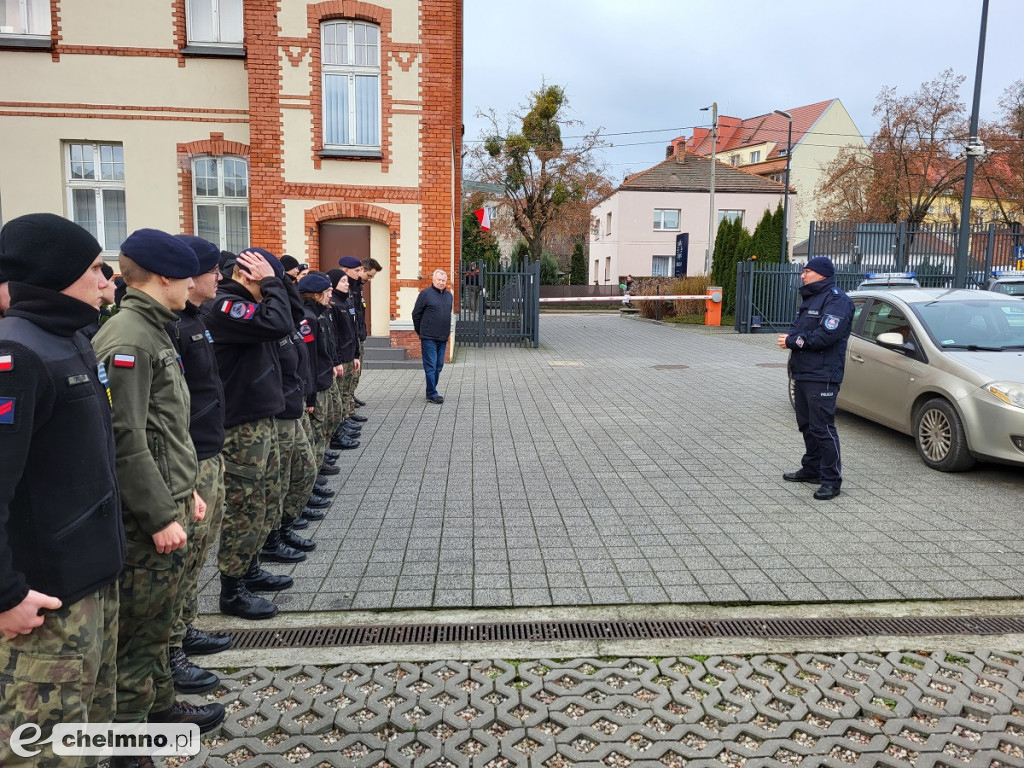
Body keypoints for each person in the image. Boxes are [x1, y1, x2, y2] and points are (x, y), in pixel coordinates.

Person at [92, 229, 225, 748]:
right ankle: (134, 747)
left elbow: (161, 429)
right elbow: (123, 436)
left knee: (156, 627)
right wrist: (157, 513)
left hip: (168, 498)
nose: (195, 282)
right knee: (139, 640)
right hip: (146, 519)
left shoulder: (153, 329)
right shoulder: (129, 338)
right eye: (188, 274)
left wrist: (184, 487)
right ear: (166, 277)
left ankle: (162, 709)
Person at [0, 213, 124, 768]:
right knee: (42, 750)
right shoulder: (17, 355)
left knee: (88, 734)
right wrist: (5, 594)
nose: (108, 281)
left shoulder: (71, 338)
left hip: (91, 579)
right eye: (96, 269)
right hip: (45, 599)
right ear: (57, 275)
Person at [202, 248, 293, 620]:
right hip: (240, 425)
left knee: (264, 500)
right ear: (248, 277)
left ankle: (249, 568)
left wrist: (276, 281)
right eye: (267, 281)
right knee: (245, 506)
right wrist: (272, 282)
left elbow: (290, 314)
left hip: (259, 418)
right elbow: (280, 324)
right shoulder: (226, 307)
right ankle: (232, 590)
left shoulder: (248, 304)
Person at [166, 234, 232, 697]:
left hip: (207, 449)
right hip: (186, 460)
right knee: (181, 560)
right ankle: (169, 652)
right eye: (212, 270)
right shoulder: (167, 327)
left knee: (197, 557)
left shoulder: (195, 320)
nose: (219, 277)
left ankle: (184, 630)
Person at [777, 255, 854, 501]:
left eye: (806, 271)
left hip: (823, 375)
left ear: (820, 274)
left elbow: (826, 336)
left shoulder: (837, 301)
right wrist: (792, 336)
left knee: (823, 428)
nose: (802, 275)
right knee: (807, 425)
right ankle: (812, 469)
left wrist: (793, 341)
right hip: (804, 372)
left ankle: (831, 480)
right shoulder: (812, 297)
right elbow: (802, 328)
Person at [412, 268, 453, 404]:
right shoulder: (425, 294)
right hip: (428, 337)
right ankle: (432, 393)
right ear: (433, 280)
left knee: (439, 365)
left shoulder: (449, 296)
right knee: (431, 366)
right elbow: (416, 314)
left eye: (443, 280)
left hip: (442, 337)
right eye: (438, 280)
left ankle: (431, 389)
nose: (441, 282)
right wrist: (421, 331)